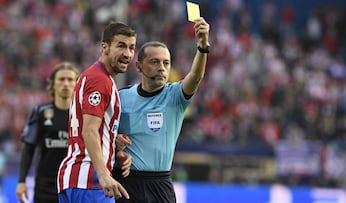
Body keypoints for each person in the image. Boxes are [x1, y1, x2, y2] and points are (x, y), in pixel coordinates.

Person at [112, 17, 210, 203]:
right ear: (139, 66)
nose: (162, 68)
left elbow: (196, 76)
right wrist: (114, 141)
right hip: (124, 182)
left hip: (159, 184)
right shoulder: (121, 97)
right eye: (155, 62)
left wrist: (203, 45)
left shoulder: (175, 96)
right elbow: (102, 135)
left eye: (166, 63)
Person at [57, 21, 136, 203]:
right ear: (105, 47)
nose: (127, 54)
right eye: (121, 46)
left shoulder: (93, 76)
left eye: (131, 48)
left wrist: (113, 144)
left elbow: (92, 128)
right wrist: (104, 174)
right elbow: (89, 130)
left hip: (76, 179)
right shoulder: (100, 80)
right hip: (89, 181)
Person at [16, 62, 80, 203]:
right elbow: (28, 148)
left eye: (70, 80)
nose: (66, 84)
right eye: (61, 79)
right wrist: (21, 181)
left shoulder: (83, 115)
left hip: (73, 184)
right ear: (53, 83)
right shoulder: (40, 112)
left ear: (77, 84)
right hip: (45, 186)